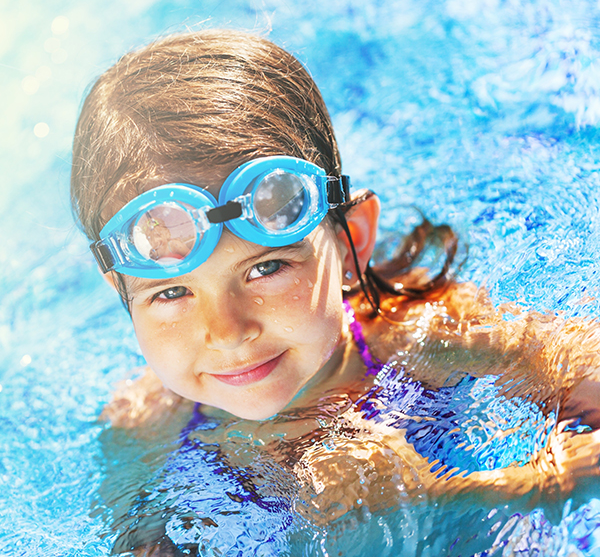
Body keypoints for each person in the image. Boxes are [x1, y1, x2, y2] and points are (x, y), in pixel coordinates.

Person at [71, 29, 600, 555]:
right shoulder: (147, 422)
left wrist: (433, 492)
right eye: (170, 295)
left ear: (352, 245)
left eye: (267, 267)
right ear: (121, 290)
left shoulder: (429, 333)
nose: (228, 333)